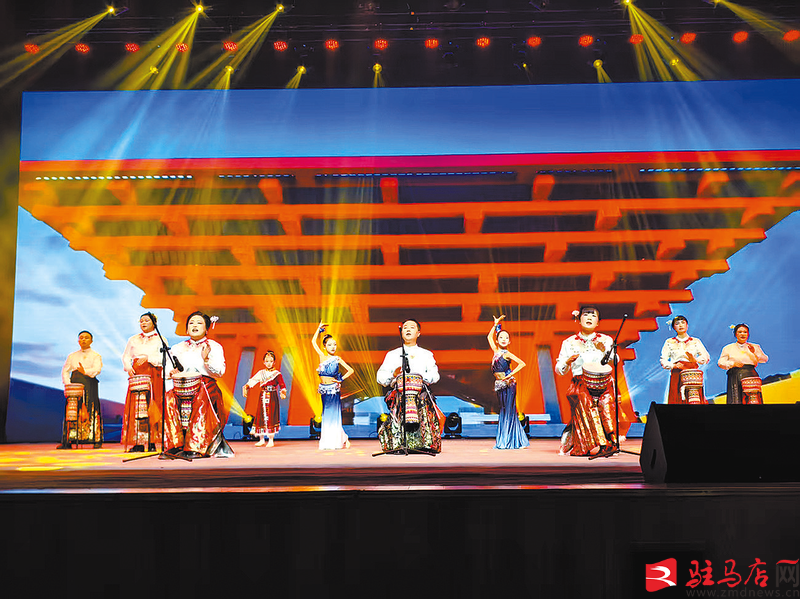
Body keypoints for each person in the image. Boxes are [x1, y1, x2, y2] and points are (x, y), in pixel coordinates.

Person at [162, 311, 233, 458]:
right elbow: (167, 370)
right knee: (169, 398)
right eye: (191, 323)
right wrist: (171, 372)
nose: (195, 325)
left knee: (201, 396)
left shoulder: (214, 346)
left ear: (206, 329)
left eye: (199, 323)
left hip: (205, 385)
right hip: (181, 386)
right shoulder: (178, 347)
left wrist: (206, 360)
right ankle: (174, 445)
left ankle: (196, 445)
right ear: (187, 329)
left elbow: (219, 372)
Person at [555, 307, 616, 457]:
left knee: (606, 405)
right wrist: (567, 362)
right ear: (579, 319)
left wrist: (605, 351)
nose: (589, 317)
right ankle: (599, 444)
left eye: (593, 315)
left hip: (604, 382)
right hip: (581, 383)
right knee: (587, 402)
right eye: (586, 314)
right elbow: (559, 369)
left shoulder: (606, 340)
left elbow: (616, 360)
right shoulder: (569, 342)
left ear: (598, 322)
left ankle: (611, 441)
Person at [376, 319, 444, 454]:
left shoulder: (426, 354)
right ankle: (399, 443)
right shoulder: (392, 354)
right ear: (401, 332)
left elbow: (435, 375)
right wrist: (393, 375)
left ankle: (423, 444)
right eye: (405, 327)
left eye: (412, 327)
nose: (408, 329)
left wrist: (419, 377)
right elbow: (380, 377)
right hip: (400, 395)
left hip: (420, 394)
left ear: (418, 333)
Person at [120, 312, 163, 452]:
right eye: (141, 321)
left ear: (154, 323)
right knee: (137, 407)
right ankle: (138, 442)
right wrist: (128, 367)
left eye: (146, 320)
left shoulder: (160, 339)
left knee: (152, 405)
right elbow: (126, 356)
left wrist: (148, 358)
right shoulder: (133, 339)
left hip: (154, 374)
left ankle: (152, 441)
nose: (143, 323)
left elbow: (163, 358)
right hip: (137, 374)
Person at [311, 322, 355, 450]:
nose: (333, 347)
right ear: (324, 346)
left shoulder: (337, 359)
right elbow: (313, 342)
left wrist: (341, 379)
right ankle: (341, 438)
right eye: (330, 344)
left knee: (333, 416)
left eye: (334, 344)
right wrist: (318, 329)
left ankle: (338, 440)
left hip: (333, 390)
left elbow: (351, 370)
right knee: (326, 416)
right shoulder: (322, 357)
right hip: (324, 390)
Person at [488, 315, 529, 450]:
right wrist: (495, 325)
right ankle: (512, 440)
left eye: (506, 338)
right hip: (500, 384)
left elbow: (522, 363)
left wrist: (510, 375)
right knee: (504, 411)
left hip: (509, 385)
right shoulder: (496, 351)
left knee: (509, 412)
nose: (504, 339)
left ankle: (510, 441)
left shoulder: (507, 354)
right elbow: (489, 337)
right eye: (501, 337)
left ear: (509, 341)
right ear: (497, 340)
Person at [60, 330, 103, 448]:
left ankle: (94, 439)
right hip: (74, 386)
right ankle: (69, 440)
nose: (83, 340)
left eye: (86, 338)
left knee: (90, 409)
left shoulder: (95, 355)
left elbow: (97, 369)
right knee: (72, 411)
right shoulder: (72, 356)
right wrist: (68, 384)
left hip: (89, 384)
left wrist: (85, 372)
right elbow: (65, 370)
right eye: (81, 337)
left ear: (91, 341)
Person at [659, 315, 711, 404]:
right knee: (677, 400)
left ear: (687, 325)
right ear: (674, 327)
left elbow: (705, 357)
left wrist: (695, 360)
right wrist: (673, 365)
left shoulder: (695, 341)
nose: (680, 325)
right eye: (677, 324)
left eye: (683, 323)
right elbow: (663, 359)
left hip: (692, 374)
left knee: (694, 400)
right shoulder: (669, 342)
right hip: (677, 372)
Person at [242, 351, 287, 448]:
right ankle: (261, 439)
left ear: (274, 362)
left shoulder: (277, 374)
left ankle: (271, 440)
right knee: (261, 416)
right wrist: (246, 387)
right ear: (264, 362)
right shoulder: (261, 373)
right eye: (267, 361)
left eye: (271, 361)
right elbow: (253, 381)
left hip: (272, 397)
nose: (269, 363)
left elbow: (282, 385)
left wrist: (283, 392)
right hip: (262, 397)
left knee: (271, 417)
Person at [718, 323, 769, 404]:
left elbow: (764, 359)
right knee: (736, 400)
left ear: (748, 334)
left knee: (754, 400)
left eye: (745, 332)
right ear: (735, 334)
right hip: (735, 375)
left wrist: (754, 352)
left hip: (751, 375)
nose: (742, 334)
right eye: (740, 332)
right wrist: (733, 363)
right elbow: (721, 363)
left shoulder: (754, 346)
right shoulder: (728, 348)